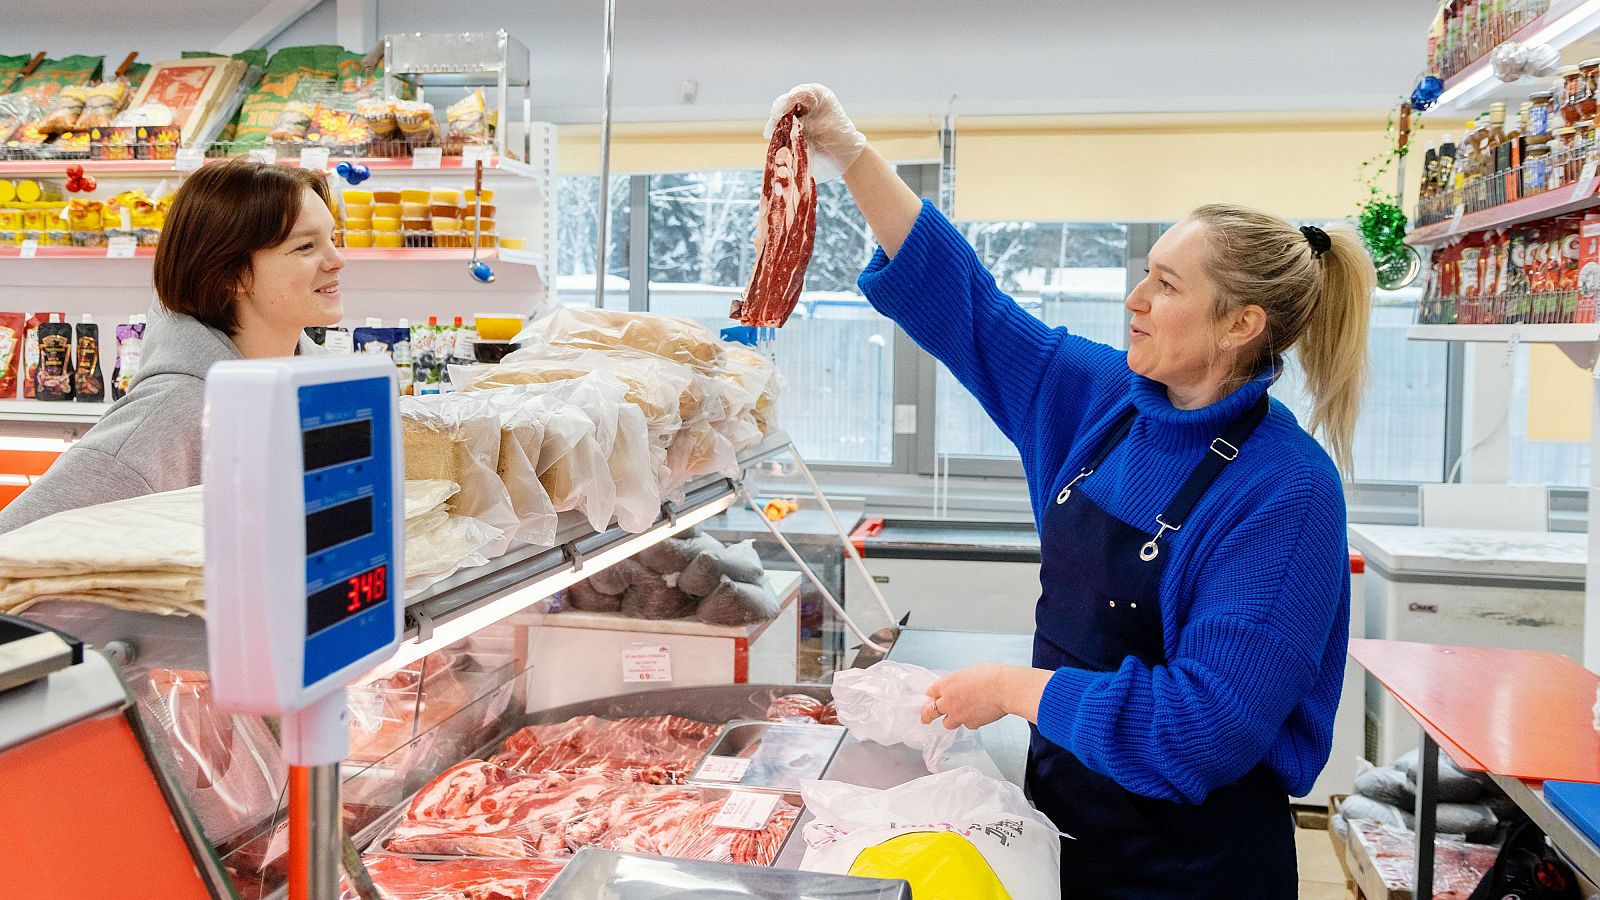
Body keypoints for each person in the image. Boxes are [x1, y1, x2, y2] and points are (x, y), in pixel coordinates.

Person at [770, 84, 1371, 896]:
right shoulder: (1102, 401)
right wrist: (847, 150)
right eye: (1145, 275)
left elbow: (1203, 728)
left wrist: (1012, 689)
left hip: (1196, 865)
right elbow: (966, 305)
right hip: (1065, 825)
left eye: (1166, 284)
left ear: (1241, 324)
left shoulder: (1288, 493)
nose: (1135, 300)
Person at [0, 158, 345, 533]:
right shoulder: (173, 415)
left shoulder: (324, 390)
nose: (337, 260)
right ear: (231, 274)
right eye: (306, 247)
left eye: (332, 238)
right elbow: (15, 546)